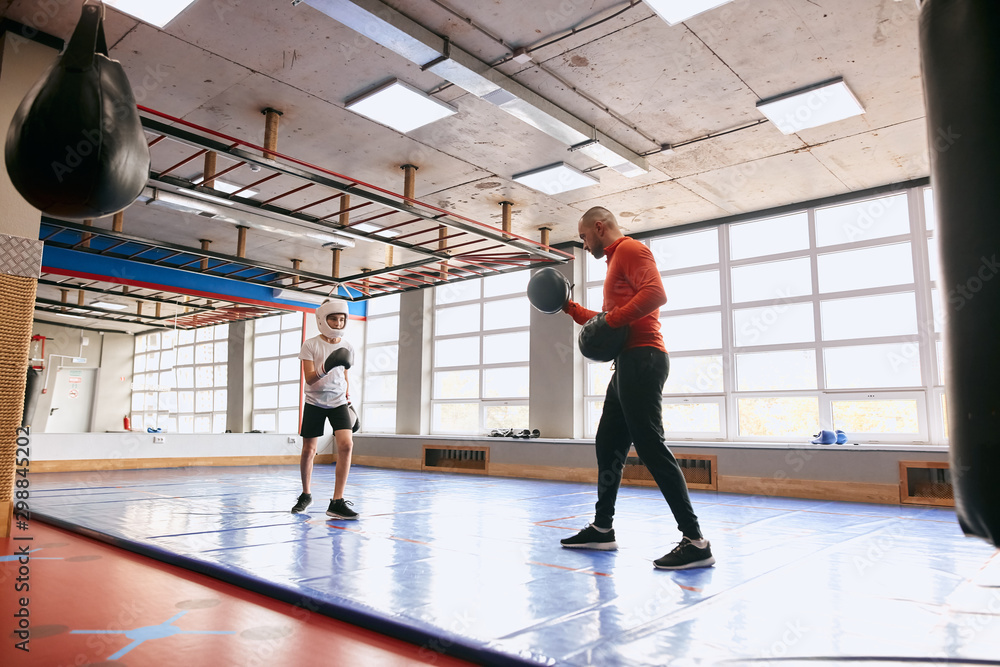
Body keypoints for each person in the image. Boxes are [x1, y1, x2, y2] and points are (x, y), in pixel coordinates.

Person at [559, 206, 715, 570]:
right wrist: (567, 308)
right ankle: (602, 528)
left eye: (584, 237)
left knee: (649, 445)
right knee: (608, 443)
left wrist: (610, 318)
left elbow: (656, 294)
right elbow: (606, 322)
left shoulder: (630, 250)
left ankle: (696, 541)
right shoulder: (615, 262)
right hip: (627, 363)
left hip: (643, 359)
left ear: (599, 227)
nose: (584, 245)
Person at [291, 299, 360, 520]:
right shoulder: (310, 345)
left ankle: (337, 501)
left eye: (341, 319)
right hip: (314, 402)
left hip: (339, 401)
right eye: (333, 318)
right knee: (309, 450)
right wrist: (327, 365)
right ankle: (306, 494)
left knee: (347, 445)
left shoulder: (348, 346)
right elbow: (310, 379)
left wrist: (348, 397)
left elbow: (345, 375)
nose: (338, 323)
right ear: (323, 319)